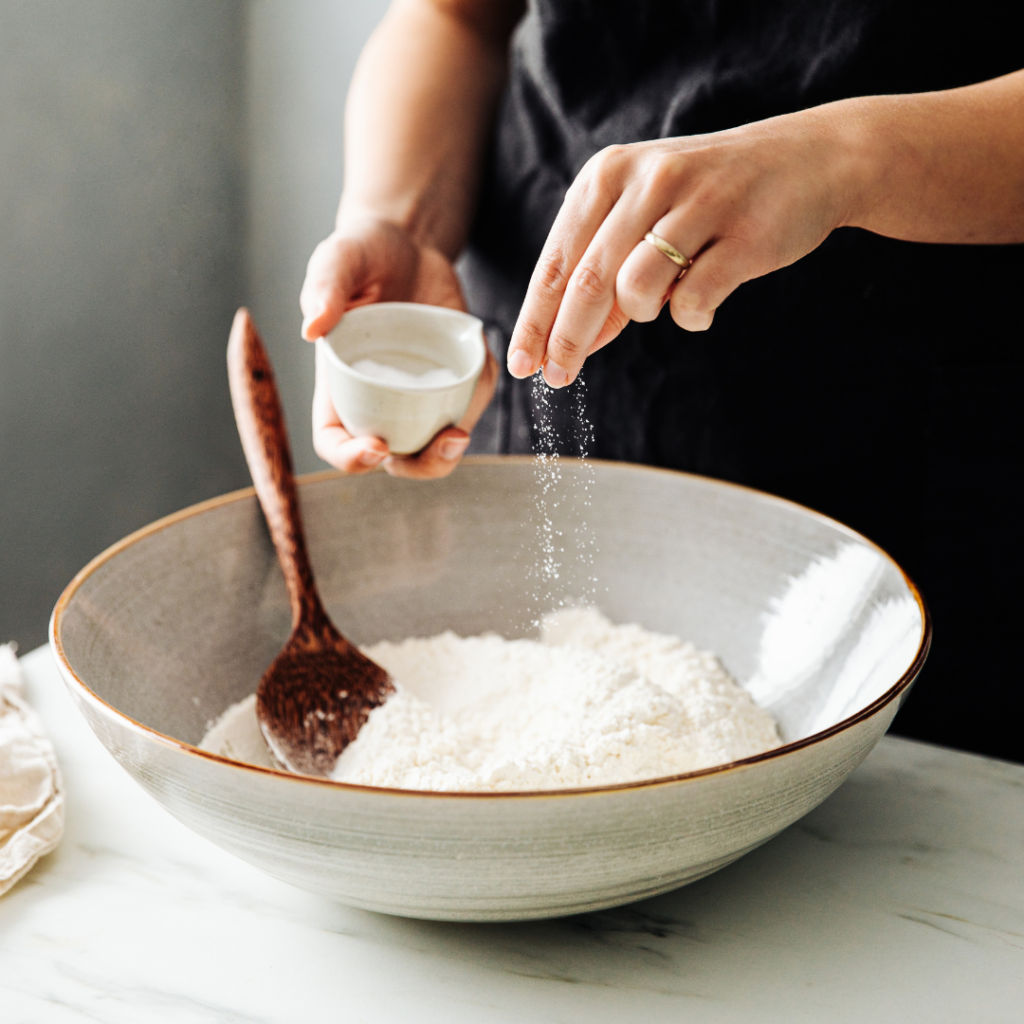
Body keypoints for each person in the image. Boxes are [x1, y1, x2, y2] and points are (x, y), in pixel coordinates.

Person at [298, 0, 1024, 761]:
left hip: (918, 426)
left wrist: (844, 157)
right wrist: (403, 227)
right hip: (556, 348)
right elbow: (454, 20)